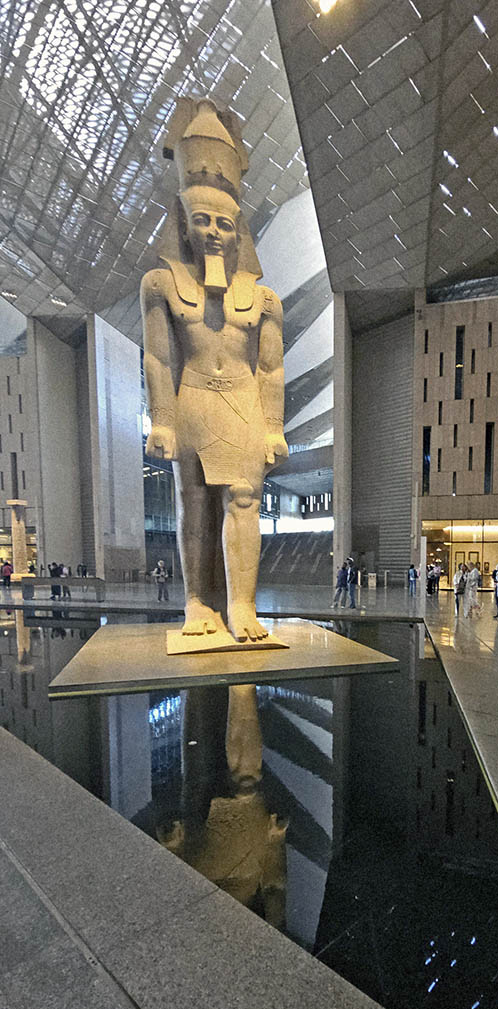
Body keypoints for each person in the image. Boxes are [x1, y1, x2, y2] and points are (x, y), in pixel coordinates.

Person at [142, 99, 288, 644]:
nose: (211, 233)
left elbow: (271, 368)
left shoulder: (265, 298)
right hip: (193, 397)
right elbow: (158, 356)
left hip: (245, 402)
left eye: (223, 224)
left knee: (244, 498)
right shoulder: (160, 285)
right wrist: (162, 419)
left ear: (238, 231)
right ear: (182, 222)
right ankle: (197, 602)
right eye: (200, 220)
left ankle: (243, 606)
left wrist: (274, 426)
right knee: (197, 503)